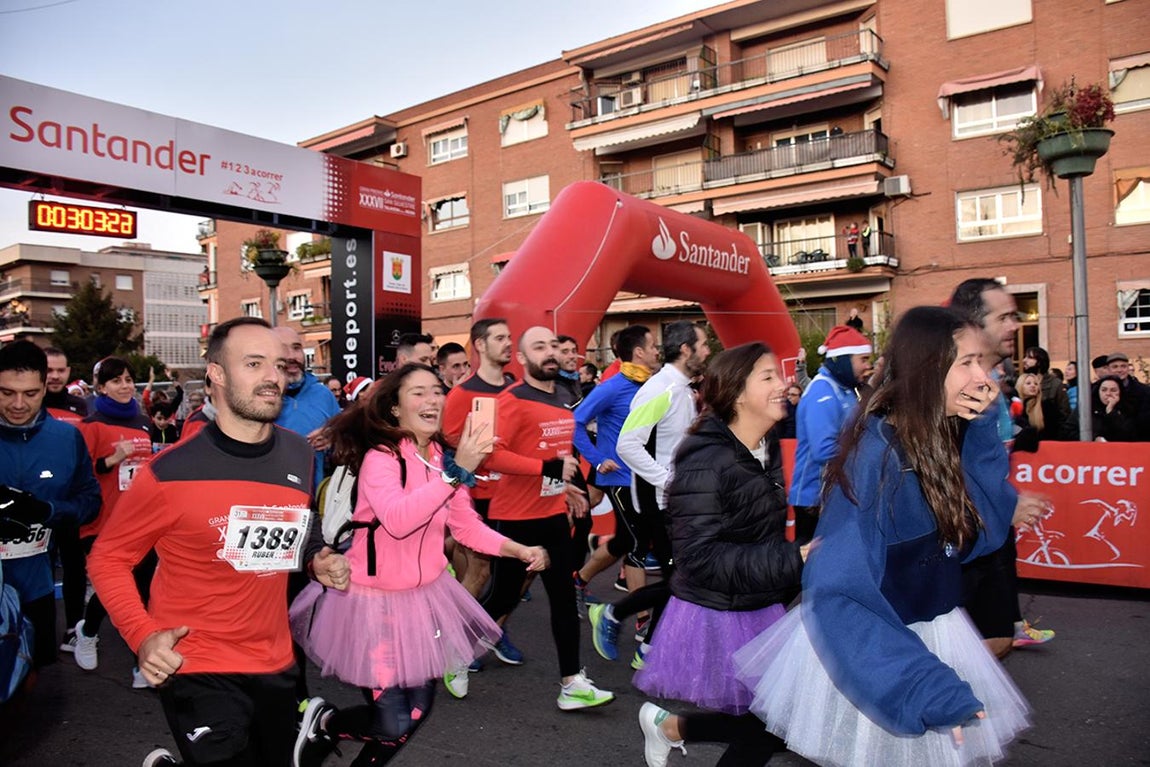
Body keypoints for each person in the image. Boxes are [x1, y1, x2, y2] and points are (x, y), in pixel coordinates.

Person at [734, 306, 1031, 767]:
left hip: (927, 628)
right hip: (880, 648)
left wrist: (980, 431)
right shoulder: (879, 456)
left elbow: (982, 535)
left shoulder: (941, 436)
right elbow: (839, 590)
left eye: (983, 362)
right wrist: (919, 685)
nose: (984, 378)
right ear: (927, 368)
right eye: (967, 363)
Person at [86, 317, 351, 767]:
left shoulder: (298, 453)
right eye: (254, 363)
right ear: (217, 374)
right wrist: (143, 636)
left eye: (279, 364)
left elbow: (299, 525)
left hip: (273, 658)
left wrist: (314, 560)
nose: (273, 376)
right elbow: (108, 559)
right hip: (196, 660)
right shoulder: (169, 472)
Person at [289, 363, 548, 765]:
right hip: (373, 605)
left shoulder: (441, 457)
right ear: (395, 408)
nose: (433, 400)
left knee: (414, 713)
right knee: (392, 721)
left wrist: (517, 549)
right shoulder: (382, 457)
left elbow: (465, 526)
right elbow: (398, 520)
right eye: (419, 392)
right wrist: (456, 474)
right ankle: (324, 724)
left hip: (422, 601)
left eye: (438, 391)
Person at [634, 342, 804, 767]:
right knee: (774, 724)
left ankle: (671, 727)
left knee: (773, 724)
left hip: (760, 599)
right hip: (721, 611)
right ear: (737, 393)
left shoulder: (764, 444)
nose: (783, 384)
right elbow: (700, 557)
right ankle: (670, 727)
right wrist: (794, 559)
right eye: (768, 376)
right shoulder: (707, 460)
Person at [474, 326, 614, 710]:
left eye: (553, 345)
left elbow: (553, 453)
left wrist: (564, 487)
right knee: (503, 597)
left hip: (552, 514)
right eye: (538, 346)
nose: (549, 352)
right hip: (515, 518)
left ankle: (572, 683)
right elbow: (491, 456)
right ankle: (455, 651)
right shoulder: (511, 399)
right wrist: (549, 470)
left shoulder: (565, 396)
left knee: (564, 599)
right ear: (521, 358)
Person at [594, 321, 712, 671]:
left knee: (681, 577)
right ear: (686, 350)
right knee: (683, 578)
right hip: (657, 502)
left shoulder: (682, 389)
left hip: (673, 500)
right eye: (704, 344)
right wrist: (668, 482)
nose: (708, 351)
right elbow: (627, 445)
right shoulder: (661, 389)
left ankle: (647, 649)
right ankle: (614, 613)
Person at [949, 278, 1054, 654]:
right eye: (1004, 317)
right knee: (973, 646)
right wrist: (1003, 503)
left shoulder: (990, 379)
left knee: (998, 639)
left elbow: (982, 458)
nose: (1015, 325)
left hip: (991, 531)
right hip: (961, 537)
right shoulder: (957, 385)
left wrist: (1005, 500)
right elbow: (942, 465)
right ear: (974, 324)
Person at [0, 341, 101, 668]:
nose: (18, 404)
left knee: (36, 676)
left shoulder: (66, 438)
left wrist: (48, 511)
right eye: (6, 393)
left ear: (45, 388)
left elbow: (90, 501)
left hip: (36, 587)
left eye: (30, 393)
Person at [72, 356, 155, 674]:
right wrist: (111, 460)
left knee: (143, 590)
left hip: (140, 521)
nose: (125, 386)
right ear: (101, 387)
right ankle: (88, 632)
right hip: (102, 521)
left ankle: (140, 662)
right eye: (116, 380)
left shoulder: (143, 422)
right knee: (115, 589)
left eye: (129, 379)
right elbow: (79, 475)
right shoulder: (90, 425)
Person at [572, 325, 660, 613]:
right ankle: (641, 618)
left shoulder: (653, 386)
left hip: (646, 475)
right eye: (653, 346)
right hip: (620, 477)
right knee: (637, 543)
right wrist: (598, 460)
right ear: (639, 352)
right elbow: (575, 423)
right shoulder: (612, 386)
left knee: (624, 541)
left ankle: (578, 581)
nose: (657, 351)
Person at [441, 319, 516, 607]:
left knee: (518, 571)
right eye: (500, 338)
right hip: (478, 495)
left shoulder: (516, 390)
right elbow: (446, 439)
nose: (508, 343)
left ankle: (491, 624)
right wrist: (481, 446)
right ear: (481, 345)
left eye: (509, 337)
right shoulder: (462, 393)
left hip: (514, 494)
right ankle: (458, 629)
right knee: (481, 571)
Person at [788, 325, 872, 544]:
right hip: (813, 499)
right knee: (813, 561)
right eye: (862, 359)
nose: (867, 366)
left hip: (833, 496)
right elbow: (823, 450)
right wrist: (868, 454)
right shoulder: (822, 391)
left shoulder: (845, 389)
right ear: (843, 360)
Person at [273, 326, 341, 484]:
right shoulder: (258, 397)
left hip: (314, 494)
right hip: (271, 494)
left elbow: (345, 435)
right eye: (283, 349)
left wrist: (333, 435)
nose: (292, 356)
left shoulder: (323, 394)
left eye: (296, 348)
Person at [1020, 346, 1073, 440]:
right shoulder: (1021, 381)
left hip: (1050, 437)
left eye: (1029, 357)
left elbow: (1064, 415)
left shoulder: (1055, 384)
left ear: (1040, 361)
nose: (1024, 360)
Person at [41, 346, 88, 425]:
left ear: (68, 371)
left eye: (61, 370)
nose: (55, 376)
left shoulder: (79, 404)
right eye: (49, 370)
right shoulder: (29, 404)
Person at [1092, 375, 1138, 442]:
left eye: (1113, 390)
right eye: (1104, 390)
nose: (1108, 393)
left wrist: (1110, 410)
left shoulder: (1128, 409)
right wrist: (1095, 438)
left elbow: (1127, 434)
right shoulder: (1089, 408)